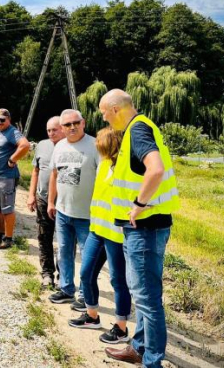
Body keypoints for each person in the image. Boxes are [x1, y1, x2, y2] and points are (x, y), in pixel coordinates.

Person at [99, 89, 179, 368]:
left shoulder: (138, 130)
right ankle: (140, 347)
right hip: (146, 226)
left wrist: (139, 204)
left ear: (115, 109)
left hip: (145, 227)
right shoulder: (139, 128)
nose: (104, 118)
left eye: (104, 112)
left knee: (147, 297)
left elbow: (154, 169)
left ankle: (152, 361)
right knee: (144, 292)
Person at [68, 127, 133, 346]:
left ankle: (121, 327)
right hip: (97, 229)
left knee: (117, 280)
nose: (97, 145)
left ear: (110, 145)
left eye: (100, 143)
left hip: (116, 234)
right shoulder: (103, 164)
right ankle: (92, 316)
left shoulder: (125, 168)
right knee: (86, 274)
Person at [47, 109, 99, 311]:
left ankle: (86, 296)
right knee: (64, 252)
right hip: (63, 211)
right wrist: (51, 202)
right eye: (67, 125)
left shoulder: (94, 146)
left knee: (87, 258)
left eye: (75, 123)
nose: (72, 127)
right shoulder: (59, 146)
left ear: (83, 123)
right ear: (62, 128)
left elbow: (104, 178)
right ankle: (66, 288)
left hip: (87, 214)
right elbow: (54, 175)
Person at [26, 116, 65, 289]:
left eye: (54, 130)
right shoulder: (42, 145)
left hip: (64, 202)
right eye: (48, 130)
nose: (51, 133)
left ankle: (64, 276)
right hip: (43, 199)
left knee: (65, 242)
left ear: (63, 129)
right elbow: (35, 171)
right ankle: (47, 273)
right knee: (44, 237)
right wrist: (31, 194)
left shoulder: (70, 146)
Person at [0, 108, 31, 249]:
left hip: (6, 177)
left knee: (7, 208)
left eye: (2, 120)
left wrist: (12, 159)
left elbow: (25, 145)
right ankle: (0, 232)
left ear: (8, 119)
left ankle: (8, 239)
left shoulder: (12, 132)